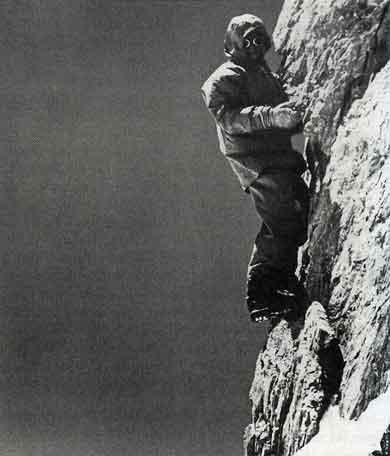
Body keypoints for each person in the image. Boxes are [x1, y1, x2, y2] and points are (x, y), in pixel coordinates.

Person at [201, 14, 309, 322]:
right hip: (257, 163)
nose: (254, 46)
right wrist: (271, 117)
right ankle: (262, 293)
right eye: (246, 40)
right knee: (282, 219)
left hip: (277, 159)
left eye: (259, 39)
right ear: (232, 44)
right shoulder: (226, 77)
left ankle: (280, 283)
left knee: (292, 215)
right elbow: (228, 117)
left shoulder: (263, 75)